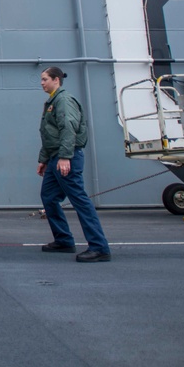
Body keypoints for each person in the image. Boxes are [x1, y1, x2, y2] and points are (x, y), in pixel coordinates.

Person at [38, 67, 111, 263]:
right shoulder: (52, 101)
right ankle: (63, 240)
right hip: (55, 157)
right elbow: (49, 133)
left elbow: (68, 128)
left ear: (56, 80)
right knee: (49, 196)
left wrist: (64, 157)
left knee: (80, 200)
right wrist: (44, 159)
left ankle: (99, 247)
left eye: (45, 79)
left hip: (66, 157)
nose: (42, 83)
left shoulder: (63, 100)